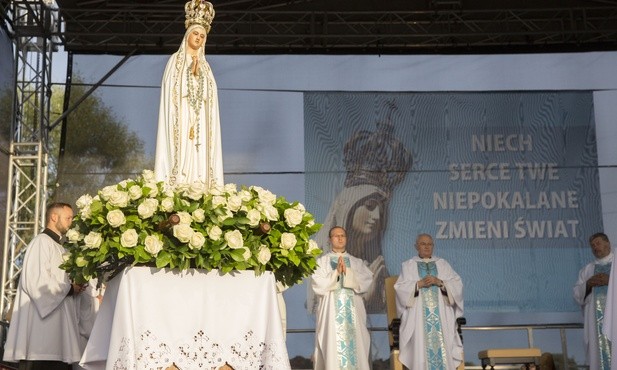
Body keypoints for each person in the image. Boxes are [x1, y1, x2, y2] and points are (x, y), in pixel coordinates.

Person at [3, 202, 87, 370]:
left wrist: (75, 286)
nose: (71, 222)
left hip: (58, 333)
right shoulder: (41, 242)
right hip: (40, 337)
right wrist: (70, 288)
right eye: (68, 218)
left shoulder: (60, 248)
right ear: (54, 217)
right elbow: (37, 282)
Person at [154, 0, 224, 187]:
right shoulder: (175, 62)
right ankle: (180, 181)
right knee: (183, 152)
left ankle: (202, 183)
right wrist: (189, 75)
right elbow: (172, 92)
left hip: (201, 119)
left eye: (202, 36)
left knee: (200, 155)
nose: (198, 38)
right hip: (182, 117)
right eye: (195, 33)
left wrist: (198, 76)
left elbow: (211, 97)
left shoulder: (206, 67)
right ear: (187, 35)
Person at [394, 233, 464, 370]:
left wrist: (440, 282)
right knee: (420, 348)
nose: (426, 247)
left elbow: (458, 285)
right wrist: (417, 284)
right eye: (423, 244)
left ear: (433, 246)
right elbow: (399, 288)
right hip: (418, 318)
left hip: (442, 317)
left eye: (429, 244)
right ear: (416, 246)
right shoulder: (408, 265)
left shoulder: (443, 264)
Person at [311, 226, 374, 370]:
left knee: (357, 345)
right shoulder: (322, 262)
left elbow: (366, 281)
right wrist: (336, 274)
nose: (340, 238)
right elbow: (318, 284)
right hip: (331, 314)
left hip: (354, 313)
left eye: (343, 236)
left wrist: (348, 273)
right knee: (332, 345)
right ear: (329, 239)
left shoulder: (357, 262)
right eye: (336, 236)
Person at [573, 232, 613, 370]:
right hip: (596, 326)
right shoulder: (587, 270)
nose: (595, 247)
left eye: (598, 243)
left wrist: (611, 281)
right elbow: (577, 295)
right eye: (592, 246)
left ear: (607, 243)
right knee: (599, 357)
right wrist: (588, 284)